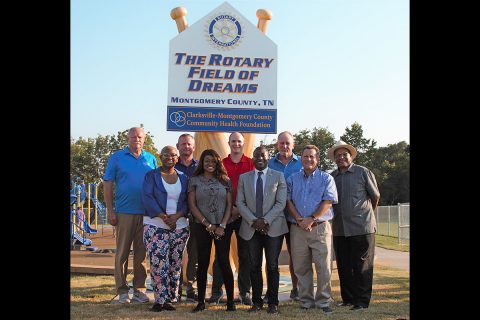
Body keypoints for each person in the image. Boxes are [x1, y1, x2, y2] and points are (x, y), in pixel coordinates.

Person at [103, 127, 158, 304]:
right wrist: (110, 210)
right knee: (122, 254)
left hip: (146, 214)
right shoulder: (117, 157)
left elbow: (157, 185)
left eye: (140, 136)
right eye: (133, 136)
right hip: (124, 212)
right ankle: (122, 291)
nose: (136, 139)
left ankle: (140, 291)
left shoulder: (150, 159)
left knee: (141, 255)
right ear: (128, 138)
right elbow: (108, 184)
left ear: (144, 139)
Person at [327, 140, 380, 311]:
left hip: (362, 228)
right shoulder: (332, 177)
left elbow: (375, 197)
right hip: (340, 229)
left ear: (350, 156)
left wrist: (365, 215)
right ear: (334, 159)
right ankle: (348, 299)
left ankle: (362, 302)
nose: (341, 157)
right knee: (344, 266)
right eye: (338, 155)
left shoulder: (363, 172)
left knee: (362, 266)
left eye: (344, 154)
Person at [286, 145, 338, 314]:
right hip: (298, 228)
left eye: (312, 156)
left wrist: (312, 218)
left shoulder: (326, 178)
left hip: (320, 227)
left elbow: (328, 201)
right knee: (301, 266)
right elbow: (288, 201)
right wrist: (299, 220)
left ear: (318, 159)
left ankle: (323, 300)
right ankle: (306, 301)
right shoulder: (292, 179)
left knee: (323, 266)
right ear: (301, 158)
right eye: (305, 156)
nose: (308, 159)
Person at [237, 146, 288, 314]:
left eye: (263, 156)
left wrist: (265, 221)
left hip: (273, 228)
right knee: (254, 266)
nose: (260, 158)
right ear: (253, 158)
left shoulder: (279, 176)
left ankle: (273, 302)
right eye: (256, 156)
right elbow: (240, 203)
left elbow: (280, 203)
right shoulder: (244, 178)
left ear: (268, 158)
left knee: (272, 266)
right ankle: (257, 302)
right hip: (251, 228)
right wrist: (254, 221)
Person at [208, 132, 254, 305]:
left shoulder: (250, 163)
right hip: (224, 216)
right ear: (228, 143)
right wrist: (229, 211)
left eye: (239, 141)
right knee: (220, 254)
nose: (236, 144)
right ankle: (217, 291)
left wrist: (240, 210)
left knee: (245, 255)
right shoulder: (221, 164)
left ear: (243, 143)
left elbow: (253, 190)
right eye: (233, 141)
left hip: (244, 216)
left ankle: (244, 292)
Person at [142, 145, 190, 312]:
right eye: (166, 155)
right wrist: (164, 217)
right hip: (155, 225)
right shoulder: (151, 176)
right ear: (160, 157)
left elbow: (187, 201)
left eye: (173, 155)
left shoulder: (184, 178)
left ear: (178, 158)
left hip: (180, 227)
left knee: (175, 264)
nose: (170, 157)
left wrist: (176, 217)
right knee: (158, 262)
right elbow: (147, 197)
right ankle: (159, 300)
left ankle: (170, 298)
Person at [187, 149, 236, 313]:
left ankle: (230, 302)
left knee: (224, 261)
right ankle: (201, 302)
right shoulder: (194, 180)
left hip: (222, 227)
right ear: (202, 162)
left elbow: (229, 205)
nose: (210, 164)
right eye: (207, 161)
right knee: (202, 262)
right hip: (201, 227)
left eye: (213, 161)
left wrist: (222, 225)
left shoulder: (225, 180)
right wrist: (207, 224)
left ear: (217, 163)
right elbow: (192, 205)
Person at [267, 131, 303, 301]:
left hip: (295, 217)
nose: (284, 146)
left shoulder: (302, 163)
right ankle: (270, 291)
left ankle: (295, 288)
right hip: (274, 217)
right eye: (281, 143)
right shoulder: (268, 164)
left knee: (295, 255)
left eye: (287, 143)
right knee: (271, 256)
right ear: (277, 145)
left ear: (293, 145)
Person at [174, 133, 199, 302]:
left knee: (194, 254)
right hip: (177, 216)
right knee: (176, 252)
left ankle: (191, 287)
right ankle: (175, 288)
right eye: (183, 144)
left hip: (197, 216)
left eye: (189, 144)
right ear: (178, 146)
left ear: (194, 146)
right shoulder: (171, 166)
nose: (186, 147)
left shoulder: (201, 167)